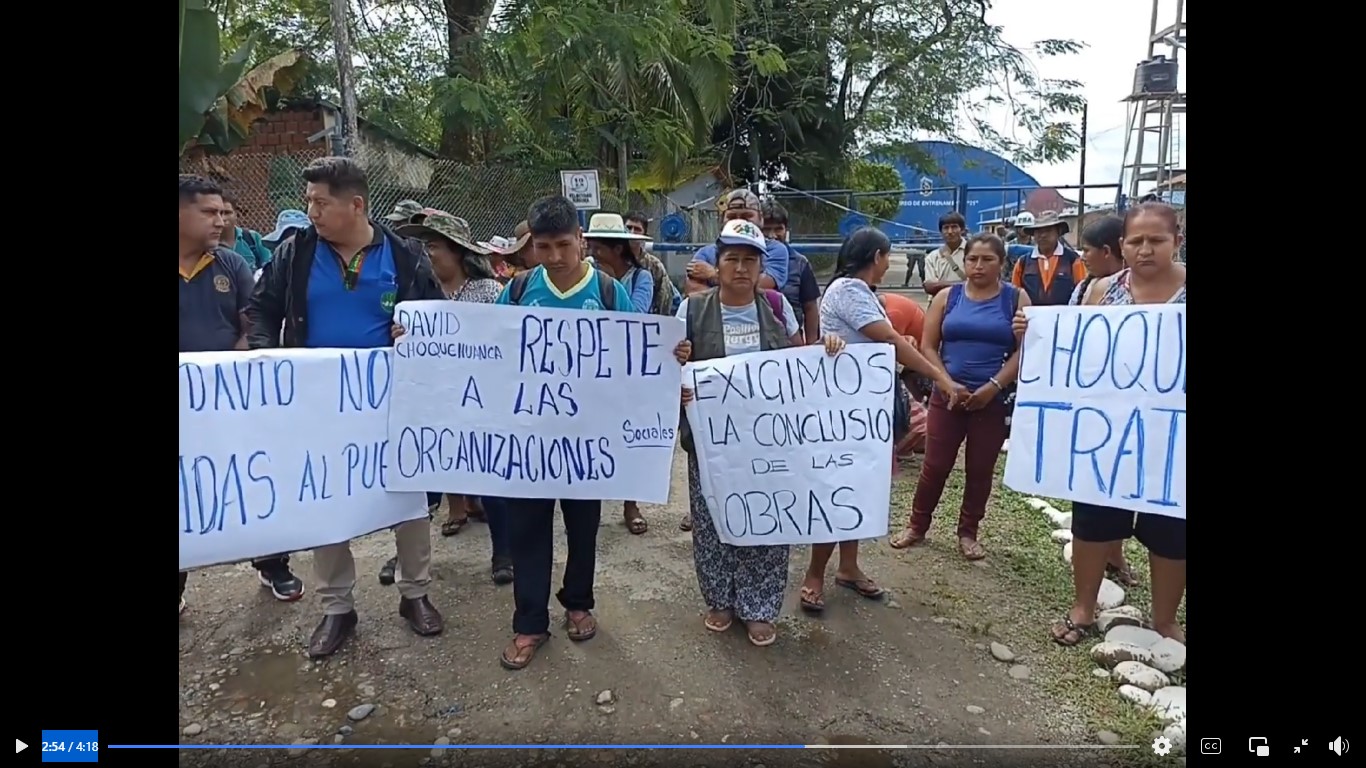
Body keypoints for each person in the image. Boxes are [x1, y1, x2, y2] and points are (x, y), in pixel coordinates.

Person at [246, 156, 448, 658]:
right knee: (324, 498)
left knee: (409, 499)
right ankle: (337, 607)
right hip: (318, 406)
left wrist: (415, 332)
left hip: (391, 403)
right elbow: (263, 310)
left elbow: (435, 318)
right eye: (309, 201)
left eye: (320, 202)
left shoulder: (405, 257)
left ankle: (414, 594)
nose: (310, 211)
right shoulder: (293, 254)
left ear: (355, 204)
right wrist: (266, 357)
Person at [493, 195, 690, 671]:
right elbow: (486, 347)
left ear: (582, 240)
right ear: (531, 246)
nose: (556, 256)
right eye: (544, 246)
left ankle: (578, 603)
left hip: (589, 443)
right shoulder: (518, 292)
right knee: (528, 533)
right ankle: (529, 623)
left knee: (584, 529)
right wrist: (421, 342)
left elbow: (637, 353)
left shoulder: (606, 292)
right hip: (530, 442)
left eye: (564, 244)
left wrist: (671, 356)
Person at [676, 218, 843, 647]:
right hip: (711, 442)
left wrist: (826, 351)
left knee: (767, 518)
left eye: (750, 260)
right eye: (731, 258)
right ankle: (720, 600)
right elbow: (667, 371)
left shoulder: (775, 306)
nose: (740, 268)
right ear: (718, 261)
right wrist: (678, 377)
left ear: (761, 265)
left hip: (769, 441)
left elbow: (797, 363)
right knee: (713, 519)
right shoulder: (691, 309)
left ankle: (760, 606)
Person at [1031, 202, 1186, 646]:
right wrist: (1035, 332)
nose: (1145, 249)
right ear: (1122, 245)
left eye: (1156, 240)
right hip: (1107, 433)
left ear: (1176, 241)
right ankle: (1083, 606)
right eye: (1135, 241)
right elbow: (1071, 352)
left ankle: (1164, 620)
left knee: (1172, 529)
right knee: (1093, 521)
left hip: (1172, 437)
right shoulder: (1099, 291)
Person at [799, 227, 961, 612]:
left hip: (863, 409)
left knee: (859, 488)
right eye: (887, 256)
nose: (889, 263)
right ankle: (816, 574)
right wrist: (939, 376)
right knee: (839, 488)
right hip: (846, 410)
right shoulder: (850, 291)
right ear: (876, 257)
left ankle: (849, 567)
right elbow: (892, 341)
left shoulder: (856, 292)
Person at [179, 175, 305, 613]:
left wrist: (230, 365)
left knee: (253, 478)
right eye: (208, 212)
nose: (220, 220)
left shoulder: (230, 264)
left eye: (221, 212)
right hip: (182, 406)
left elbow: (251, 321)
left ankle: (273, 563)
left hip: (232, 398)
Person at [1010, 214, 1139, 586]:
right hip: (1093, 403)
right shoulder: (1086, 288)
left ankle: (1115, 555)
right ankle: (1101, 565)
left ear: (1107, 251)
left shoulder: (1145, 290)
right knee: (1095, 488)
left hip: (1133, 405)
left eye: (1088, 250)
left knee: (1127, 483)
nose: (1083, 256)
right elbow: (1067, 330)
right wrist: (1031, 329)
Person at [390, 211, 513, 584]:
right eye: (422, 246)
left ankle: (504, 552)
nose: (426, 254)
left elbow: (506, 343)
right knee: (422, 481)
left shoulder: (490, 292)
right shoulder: (415, 293)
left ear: (458, 251)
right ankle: (406, 558)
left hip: (482, 402)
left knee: (491, 480)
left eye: (433, 246)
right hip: (430, 402)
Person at [889, 234, 1029, 559]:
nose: (978, 266)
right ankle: (917, 525)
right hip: (947, 396)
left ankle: (968, 533)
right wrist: (947, 383)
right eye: (972, 259)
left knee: (980, 469)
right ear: (964, 262)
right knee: (935, 465)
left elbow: (1024, 351)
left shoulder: (1016, 299)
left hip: (992, 400)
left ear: (1002, 263)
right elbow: (927, 346)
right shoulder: (947, 297)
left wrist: (993, 386)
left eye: (987, 260)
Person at [685, 190, 788, 294]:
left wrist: (713, 274)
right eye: (732, 217)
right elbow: (693, 290)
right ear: (721, 220)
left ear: (761, 219)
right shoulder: (705, 253)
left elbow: (763, 284)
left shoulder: (775, 250)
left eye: (746, 216)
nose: (739, 221)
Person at [761, 202, 822, 343]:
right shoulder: (751, 261)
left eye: (778, 229)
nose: (772, 235)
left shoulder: (800, 263)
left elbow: (810, 307)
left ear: (786, 230)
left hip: (792, 344)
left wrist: (811, 347)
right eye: (766, 229)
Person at [1010, 210, 1087, 306]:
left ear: (1058, 232)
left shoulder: (1073, 260)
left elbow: (1082, 294)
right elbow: (1014, 295)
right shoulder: (1023, 263)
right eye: (1038, 231)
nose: (1043, 235)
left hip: (1064, 318)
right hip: (1031, 319)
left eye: (1048, 230)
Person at [585, 213, 655, 315]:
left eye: (597, 249)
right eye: (589, 247)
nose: (591, 253)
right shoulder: (589, 272)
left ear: (618, 249)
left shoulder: (641, 278)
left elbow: (636, 317)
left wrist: (611, 282)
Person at [623, 211, 682, 316]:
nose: (632, 232)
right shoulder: (615, 260)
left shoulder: (654, 265)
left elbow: (665, 298)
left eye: (637, 229)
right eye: (628, 227)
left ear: (644, 234)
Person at [220, 192, 273, 271]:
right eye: (219, 213)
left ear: (236, 214)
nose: (223, 218)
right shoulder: (205, 244)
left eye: (227, 213)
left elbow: (269, 266)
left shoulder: (252, 238)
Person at [921, 211, 969, 297]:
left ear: (962, 230)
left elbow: (979, 283)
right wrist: (964, 284)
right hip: (940, 305)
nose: (950, 232)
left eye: (954, 227)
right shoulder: (933, 257)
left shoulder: (972, 253)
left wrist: (941, 285)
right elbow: (929, 287)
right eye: (946, 228)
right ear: (941, 231)